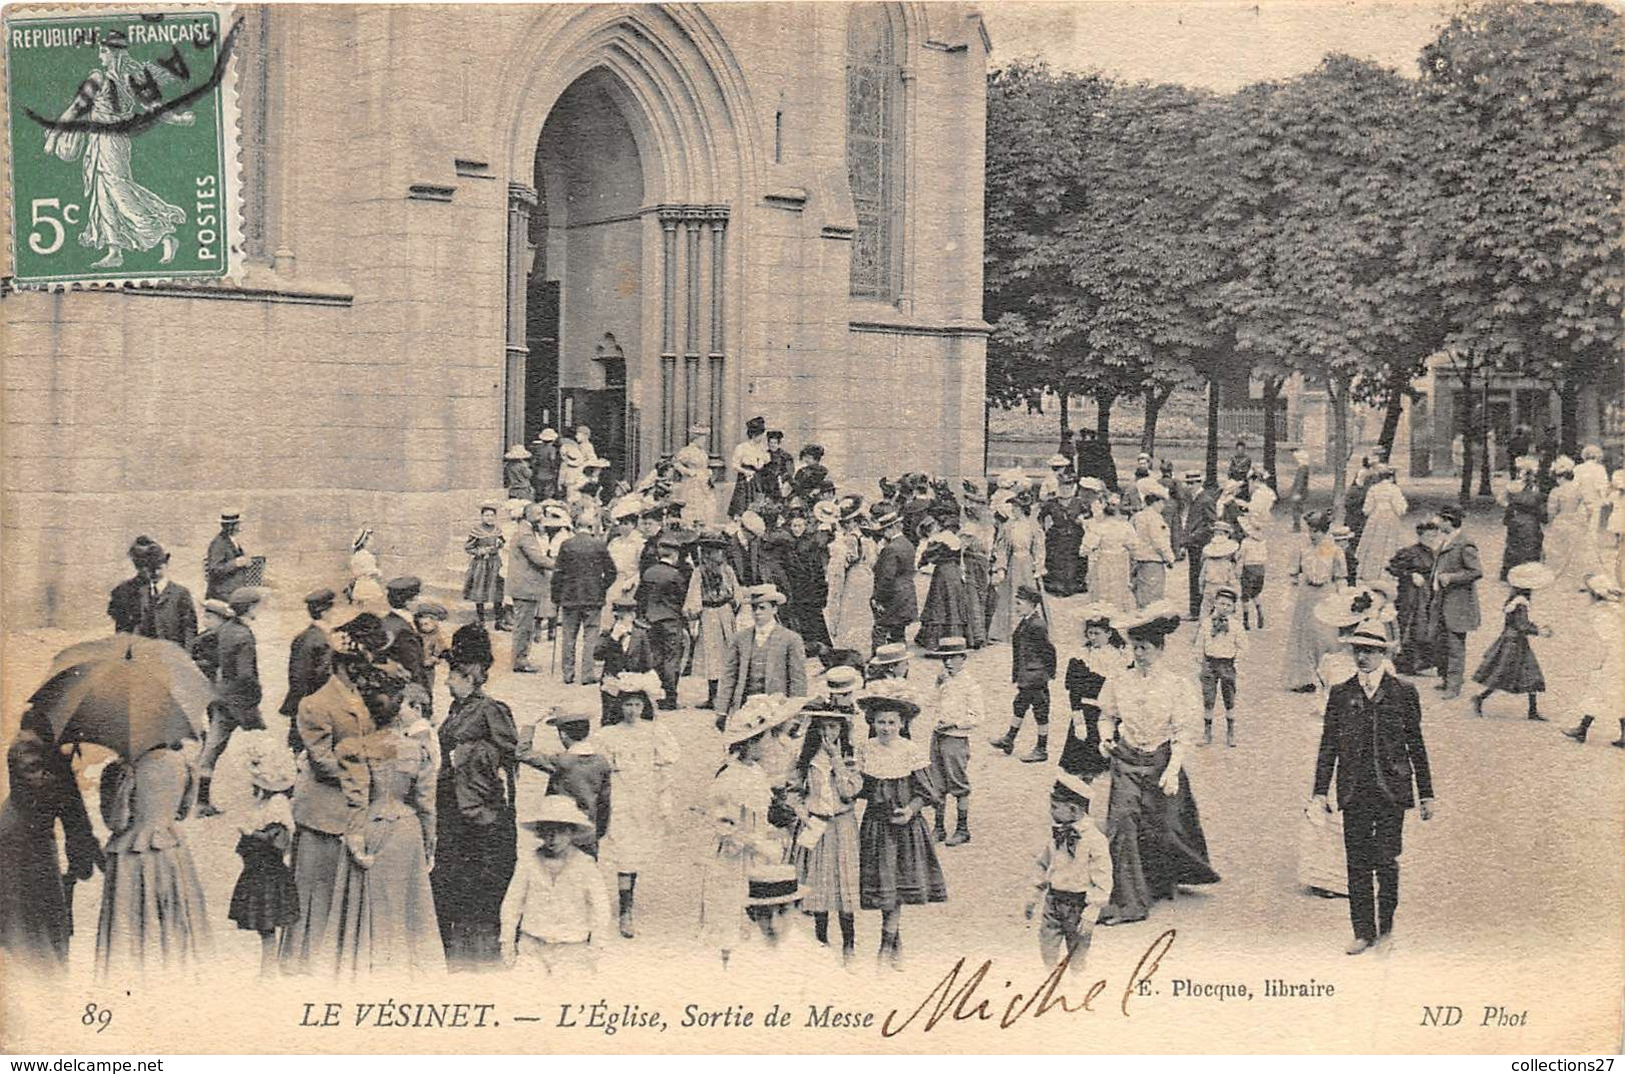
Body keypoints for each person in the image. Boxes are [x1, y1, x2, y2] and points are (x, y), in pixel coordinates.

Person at [1311, 620, 1436, 955]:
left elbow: (1416, 744)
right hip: (1354, 790)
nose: (1362, 657)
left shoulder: (1403, 692)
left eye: (1369, 651)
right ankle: (1362, 931)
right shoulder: (1341, 693)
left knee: (1387, 860)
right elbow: (1328, 746)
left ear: (1383, 653)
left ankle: (1386, 929)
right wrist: (1320, 792)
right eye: (1357, 650)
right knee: (1357, 863)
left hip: (1391, 791)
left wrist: (1426, 794)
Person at [281, 613, 394, 973]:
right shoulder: (315, 704)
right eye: (362, 665)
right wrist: (365, 771)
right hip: (324, 812)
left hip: (354, 807)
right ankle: (305, 963)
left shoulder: (362, 695)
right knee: (316, 893)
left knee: (343, 892)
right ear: (345, 665)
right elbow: (323, 762)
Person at [1095, 605, 1221, 925]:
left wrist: (1173, 769)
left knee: (1160, 827)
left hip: (1160, 760)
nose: (1139, 653)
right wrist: (1105, 738)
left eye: (1145, 648)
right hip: (1125, 760)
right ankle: (1128, 902)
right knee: (1121, 823)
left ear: (1160, 649)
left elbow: (1182, 732)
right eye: (1134, 647)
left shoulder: (1176, 685)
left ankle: (1158, 880)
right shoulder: (1119, 681)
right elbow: (1106, 716)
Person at [322, 682, 443, 977]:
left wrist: (354, 838)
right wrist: (429, 845)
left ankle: (365, 968)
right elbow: (426, 804)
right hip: (406, 830)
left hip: (370, 826)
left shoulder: (357, 750)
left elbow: (354, 800)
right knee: (407, 905)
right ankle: (406, 971)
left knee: (368, 906)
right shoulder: (416, 751)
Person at [432, 624, 518, 970]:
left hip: (479, 810)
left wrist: (471, 755)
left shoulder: (491, 709)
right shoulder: (457, 708)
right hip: (451, 804)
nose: (446, 681)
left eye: (452, 675)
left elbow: (510, 752)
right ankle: (453, 948)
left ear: (468, 676)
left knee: (477, 878)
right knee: (451, 875)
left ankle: (480, 953)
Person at [95, 739, 212, 973]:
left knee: (131, 918)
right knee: (172, 912)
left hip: (132, 853)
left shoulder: (121, 770)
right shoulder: (184, 765)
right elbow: (182, 812)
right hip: (170, 848)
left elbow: (116, 822)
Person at [0, 717, 102, 970]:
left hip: (36, 837)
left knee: (46, 905)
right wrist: (65, 769)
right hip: (19, 839)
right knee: (27, 909)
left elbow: (72, 809)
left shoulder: (49, 745)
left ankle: (47, 959)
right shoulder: (27, 745)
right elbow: (38, 792)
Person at [701, 695, 796, 966]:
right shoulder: (730, 778)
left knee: (759, 917)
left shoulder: (755, 771)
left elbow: (761, 815)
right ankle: (727, 966)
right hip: (734, 858)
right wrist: (756, 843)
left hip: (756, 855)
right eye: (765, 738)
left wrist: (772, 833)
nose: (769, 743)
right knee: (731, 913)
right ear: (750, 742)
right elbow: (725, 827)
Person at [856, 694, 946, 969]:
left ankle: (885, 948)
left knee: (896, 888)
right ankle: (895, 944)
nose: (885, 728)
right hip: (876, 825)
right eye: (880, 722)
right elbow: (859, 789)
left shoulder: (910, 750)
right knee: (886, 888)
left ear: (902, 723)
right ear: (872, 722)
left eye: (891, 722)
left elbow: (928, 792)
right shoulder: (865, 749)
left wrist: (910, 810)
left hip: (905, 827)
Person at [595, 672, 679, 939]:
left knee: (636, 852)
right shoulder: (609, 734)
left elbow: (667, 762)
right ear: (619, 706)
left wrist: (661, 796)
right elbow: (602, 770)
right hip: (620, 798)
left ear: (645, 706)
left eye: (637, 705)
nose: (632, 710)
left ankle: (629, 899)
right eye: (627, 705)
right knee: (624, 854)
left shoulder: (654, 731)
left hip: (644, 798)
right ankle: (625, 911)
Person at [500, 797, 612, 975]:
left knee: (570, 989)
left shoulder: (585, 864)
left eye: (560, 831)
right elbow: (512, 903)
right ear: (540, 833)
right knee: (523, 988)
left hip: (572, 948)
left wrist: (595, 948)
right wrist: (507, 942)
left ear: (571, 832)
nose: (553, 837)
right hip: (532, 945)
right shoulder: (528, 861)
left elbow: (601, 908)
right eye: (547, 830)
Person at [787, 703, 863, 961]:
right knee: (819, 884)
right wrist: (802, 813)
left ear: (842, 728)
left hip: (842, 825)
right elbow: (793, 791)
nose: (828, 732)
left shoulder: (849, 757)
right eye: (823, 727)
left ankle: (849, 944)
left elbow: (850, 791)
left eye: (833, 726)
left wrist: (836, 759)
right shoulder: (807, 758)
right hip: (816, 825)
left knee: (844, 883)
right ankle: (821, 940)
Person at [226, 733, 300, 976]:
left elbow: (279, 841)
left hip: (268, 872)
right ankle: (268, 967)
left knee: (268, 924)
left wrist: (251, 833)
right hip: (257, 871)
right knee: (263, 926)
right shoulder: (262, 802)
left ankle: (268, 969)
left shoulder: (277, 804)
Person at [1025, 773, 1112, 975]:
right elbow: (1043, 863)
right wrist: (1033, 896)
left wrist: (1091, 915)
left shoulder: (1095, 841)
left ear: (1073, 810)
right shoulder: (1056, 833)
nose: (1050, 812)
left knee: (1078, 953)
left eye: (1055, 807)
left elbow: (1102, 881)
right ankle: (1050, 982)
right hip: (1053, 901)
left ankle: (1077, 986)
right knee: (1046, 946)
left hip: (1078, 906)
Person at [196, 586, 266, 818]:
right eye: (257, 605)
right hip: (242, 702)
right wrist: (256, 693)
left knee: (211, 751)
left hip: (221, 697)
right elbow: (246, 674)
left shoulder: (226, 629)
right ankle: (267, 790)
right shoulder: (244, 635)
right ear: (249, 608)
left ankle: (201, 802)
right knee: (263, 745)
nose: (259, 608)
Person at [518, 711, 612, 859]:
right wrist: (598, 832)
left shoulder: (561, 761)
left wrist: (530, 724)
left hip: (561, 828)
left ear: (563, 734)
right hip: (589, 829)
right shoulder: (601, 762)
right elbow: (604, 802)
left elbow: (522, 753)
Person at [717, 585, 809, 729]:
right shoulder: (740, 638)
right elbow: (729, 676)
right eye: (754, 608)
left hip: (777, 709)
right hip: (745, 710)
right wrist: (722, 711)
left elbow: (798, 680)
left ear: (774, 609)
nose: (757, 612)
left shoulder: (790, 639)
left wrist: (795, 714)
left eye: (762, 608)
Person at [1471, 562, 1553, 721]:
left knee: (1520, 674)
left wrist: (1535, 627)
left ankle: (1531, 710)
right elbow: (1521, 625)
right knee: (1517, 674)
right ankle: (1481, 698)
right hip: (1515, 644)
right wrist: (1539, 631)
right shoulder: (1521, 602)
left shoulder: (1513, 599)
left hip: (1511, 641)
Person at [923, 637, 981, 846]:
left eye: (952, 658)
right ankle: (939, 827)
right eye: (944, 658)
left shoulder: (970, 685)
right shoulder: (944, 681)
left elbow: (977, 717)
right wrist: (937, 685)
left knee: (958, 784)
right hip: (938, 736)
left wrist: (955, 723)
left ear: (963, 658)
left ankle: (962, 829)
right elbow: (929, 704)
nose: (948, 663)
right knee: (936, 782)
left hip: (956, 739)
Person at [1061, 605, 1124, 794]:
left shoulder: (1120, 657)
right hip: (1087, 715)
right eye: (1090, 633)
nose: (1093, 638)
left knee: (1115, 768)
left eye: (1097, 633)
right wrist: (1077, 719)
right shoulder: (1080, 657)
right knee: (1083, 770)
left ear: (1109, 633)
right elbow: (1074, 690)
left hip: (1111, 715)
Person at [990, 585, 1055, 763]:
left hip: (1035, 677)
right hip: (1027, 676)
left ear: (1032, 604)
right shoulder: (1027, 621)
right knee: (1019, 705)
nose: (1016, 607)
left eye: (1019, 603)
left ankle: (1041, 749)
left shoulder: (1037, 625)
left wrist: (1047, 673)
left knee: (1041, 712)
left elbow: (1049, 651)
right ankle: (1009, 739)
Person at [1282, 511, 1347, 691]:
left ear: (1324, 531)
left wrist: (1343, 598)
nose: (1312, 535)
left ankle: (1329, 676)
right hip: (1307, 596)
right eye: (1310, 530)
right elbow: (1293, 575)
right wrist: (1289, 596)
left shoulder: (1333, 549)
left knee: (1326, 636)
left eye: (1316, 531)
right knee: (1305, 637)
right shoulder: (1302, 548)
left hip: (1327, 594)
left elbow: (1341, 576)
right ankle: (1305, 679)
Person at [1560, 574, 1625, 748]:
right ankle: (1585, 728)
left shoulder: (1600, 612)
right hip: (1619, 656)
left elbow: (1603, 639)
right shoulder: (1617, 608)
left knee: (1599, 691)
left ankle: (1582, 729)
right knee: (1614, 694)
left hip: (1613, 658)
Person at [551, 515, 618, 685]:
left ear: (575, 526)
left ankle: (568, 673)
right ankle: (587, 674)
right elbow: (612, 572)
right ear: (591, 528)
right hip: (593, 598)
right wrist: (601, 587)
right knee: (590, 636)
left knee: (568, 636)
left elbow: (558, 573)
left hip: (570, 597)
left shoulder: (566, 545)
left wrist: (556, 596)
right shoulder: (599, 545)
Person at [1428, 505, 1481, 701]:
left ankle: (1454, 685)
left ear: (1449, 521)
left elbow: (1476, 571)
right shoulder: (1446, 540)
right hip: (1442, 599)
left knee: (1455, 644)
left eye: (1440, 519)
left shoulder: (1465, 543)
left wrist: (1452, 577)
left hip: (1457, 603)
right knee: (1441, 641)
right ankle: (1445, 678)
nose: (1438, 523)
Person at [686, 533, 742, 711]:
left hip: (713, 613)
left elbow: (694, 601)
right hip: (720, 613)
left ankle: (718, 697)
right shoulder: (720, 570)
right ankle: (720, 696)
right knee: (719, 655)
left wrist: (693, 614)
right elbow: (737, 597)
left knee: (717, 655)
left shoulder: (714, 571)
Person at [107, 536, 197, 646]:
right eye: (147, 568)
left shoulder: (180, 593)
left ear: (166, 564)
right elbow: (121, 627)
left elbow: (189, 629)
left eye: (158, 567)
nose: (154, 573)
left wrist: (185, 656)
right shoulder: (124, 591)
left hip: (171, 653)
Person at [280, 589, 335, 755]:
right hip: (312, 700)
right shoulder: (314, 639)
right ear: (325, 612)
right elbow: (299, 676)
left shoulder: (313, 635)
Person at [1193, 586, 1247, 747]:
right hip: (1209, 664)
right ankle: (1207, 733)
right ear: (1215, 603)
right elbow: (1199, 643)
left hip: (1227, 665)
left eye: (1228, 605)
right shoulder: (1207, 623)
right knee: (1208, 699)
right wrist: (1199, 660)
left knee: (1229, 698)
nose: (1224, 607)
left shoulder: (1236, 626)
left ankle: (1231, 733)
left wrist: (1236, 662)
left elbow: (1244, 646)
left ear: (1233, 608)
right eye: (1222, 603)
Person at [640, 539, 689, 709]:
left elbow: (640, 598)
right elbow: (683, 599)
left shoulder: (648, 573)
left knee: (656, 658)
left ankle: (658, 693)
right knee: (671, 659)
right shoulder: (676, 575)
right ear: (674, 555)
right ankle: (670, 697)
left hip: (651, 620)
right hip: (671, 621)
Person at [1387, 522, 1439, 676]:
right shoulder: (1409, 552)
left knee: (1427, 626)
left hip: (1429, 594)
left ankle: (1425, 662)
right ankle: (1406, 663)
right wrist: (1410, 575)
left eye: (1434, 535)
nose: (1432, 539)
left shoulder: (1436, 553)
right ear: (1420, 535)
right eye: (1429, 535)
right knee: (1410, 625)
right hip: (1410, 596)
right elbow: (1393, 567)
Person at [506, 502, 551, 674]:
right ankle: (520, 660)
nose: (541, 517)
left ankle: (520, 658)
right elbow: (538, 558)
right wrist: (560, 565)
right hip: (525, 588)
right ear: (529, 515)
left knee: (524, 625)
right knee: (523, 626)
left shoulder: (526, 531)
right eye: (538, 513)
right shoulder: (525, 534)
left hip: (524, 587)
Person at [868, 504, 918, 655]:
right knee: (898, 631)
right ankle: (900, 659)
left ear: (893, 528)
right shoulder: (908, 544)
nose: (884, 534)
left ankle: (877, 660)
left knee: (880, 629)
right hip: (907, 594)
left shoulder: (891, 549)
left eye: (885, 530)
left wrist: (877, 599)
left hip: (893, 596)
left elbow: (886, 578)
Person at [1546, 458, 1602, 589]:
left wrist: (1551, 522)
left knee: (1559, 550)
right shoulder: (1578, 489)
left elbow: (1551, 511)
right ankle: (1578, 580)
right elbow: (1589, 507)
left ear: (1560, 477)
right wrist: (1585, 519)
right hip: (1576, 522)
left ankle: (1558, 577)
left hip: (1561, 521)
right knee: (1577, 551)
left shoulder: (1556, 491)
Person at [1080, 495, 1135, 612]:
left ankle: (1103, 614)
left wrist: (1090, 550)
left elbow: (1085, 549)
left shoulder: (1099, 527)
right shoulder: (1126, 527)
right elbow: (1134, 546)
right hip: (1120, 562)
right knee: (1118, 589)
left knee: (1103, 589)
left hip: (1104, 560)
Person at [1355, 466, 1409, 584]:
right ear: (1391, 477)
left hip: (1375, 518)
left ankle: (1369, 572)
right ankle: (1387, 572)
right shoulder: (1394, 489)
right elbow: (1401, 509)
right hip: (1390, 518)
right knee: (1390, 544)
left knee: (1373, 544)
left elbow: (1367, 509)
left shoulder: (1373, 489)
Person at [1130, 479, 1177, 610]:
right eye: (1162, 502)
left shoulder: (1138, 516)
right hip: (1152, 561)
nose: (1163, 506)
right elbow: (1159, 541)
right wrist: (1170, 558)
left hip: (1139, 560)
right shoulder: (1154, 518)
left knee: (1141, 595)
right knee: (1153, 598)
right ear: (1155, 502)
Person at [464, 502, 507, 628]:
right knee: (480, 590)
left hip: (495, 563)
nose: (489, 518)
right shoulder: (476, 531)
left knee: (497, 591)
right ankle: (481, 620)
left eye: (492, 516)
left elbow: (502, 541)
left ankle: (499, 621)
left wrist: (499, 544)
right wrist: (480, 551)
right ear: (482, 517)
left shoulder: (497, 530)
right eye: (487, 515)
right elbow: (468, 547)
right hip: (481, 564)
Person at [1183, 476, 1221, 619]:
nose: (1189, 485)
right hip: (1193, 544)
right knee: (1194, 576)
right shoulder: (1195, 498)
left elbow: (1211, 524)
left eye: (1192, 483)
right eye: (1188, 483)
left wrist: (1194, 535)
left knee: (1199, 577)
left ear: (1199, 483)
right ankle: (1195, 610)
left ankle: (1199, 610)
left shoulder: (1206, 499)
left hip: (1201, 544)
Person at [205, 508, 255, 603]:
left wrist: (245, 562)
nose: (239, 527)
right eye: (237, 524)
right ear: (230, 526)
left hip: (234, 590)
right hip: (222, 594)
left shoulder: (232, 540)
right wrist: (236, 563)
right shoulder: (218, 543)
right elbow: (214, 569)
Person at [729, 416, 771, 517]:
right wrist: (745, 471)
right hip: (744, 479)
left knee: (757, 502)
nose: (761, 438)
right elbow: (734, 465)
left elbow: (764, 462)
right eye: (759, 435)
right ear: (753, 435)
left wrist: (760, 463)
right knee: (742, 503)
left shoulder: (761, 449)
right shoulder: (742, 447)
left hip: (757, 479)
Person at [1237, 512, 1269, 630]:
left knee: (1245, 596)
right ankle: (1259, 611)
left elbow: (1241, 556)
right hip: (1260, 570)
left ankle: (1246, 620)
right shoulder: (1263, 542)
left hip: (1248, 569)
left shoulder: (1246, 542)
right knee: (1256, 593)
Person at [1199, 532, 1240, 620]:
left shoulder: (1207, 562)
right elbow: (1232, 579)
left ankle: (1202, 625)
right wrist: (1234, 589)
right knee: (1222, 609)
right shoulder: (1227, 564)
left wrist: (1201, 588)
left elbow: (1202, 577)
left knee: (1205, 609)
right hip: (1222, 587)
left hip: (1209, 587)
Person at [345, 528, 385, 610]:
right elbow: (370, 571)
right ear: (364, 542)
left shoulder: (355, 556)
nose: (372, 542)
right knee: (371, 608)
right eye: (370, 540)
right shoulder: (366, 556)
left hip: (359, 585)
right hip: (368, 584)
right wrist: (378, 572)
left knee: (361, 608)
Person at [530, 429, 561, 502]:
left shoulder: (539, 448)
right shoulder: (552, 449)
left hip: (539, 473)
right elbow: (552, 460)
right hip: (549, 474)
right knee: (548, 494)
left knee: (539, 492)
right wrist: (555, 469)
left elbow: (534, 461)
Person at [1286, 451, 1311, 533]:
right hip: (1301, 491)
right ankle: (1298, 525)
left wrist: (1296, 492)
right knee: (1298, 509)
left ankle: (1297, 526)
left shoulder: (1302, 469)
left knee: (1296, 509)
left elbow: (1300, 482)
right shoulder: (1304, 468)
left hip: (1299, 492)